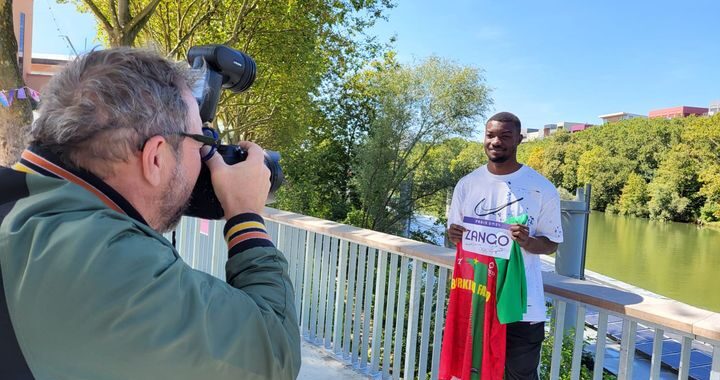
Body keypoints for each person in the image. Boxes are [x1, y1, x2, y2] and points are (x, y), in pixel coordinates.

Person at [0, 48, 300, 379]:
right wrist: (245, 217)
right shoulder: (112, 268)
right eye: (200, 140)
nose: (206, 157)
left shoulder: (21, 210)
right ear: (155, 158)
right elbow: (273, 354)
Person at [443, 112, 563, 379]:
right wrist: (453, 235)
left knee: (518, 376)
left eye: (505, 136)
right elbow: (456, 235)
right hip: (476, 298)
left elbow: (551, 243)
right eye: (490, 135)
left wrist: (529, 241)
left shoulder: (541, 188)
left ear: (519, 140)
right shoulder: (467, 184)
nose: (496, 141)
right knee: (474, 373)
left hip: (521, 307)